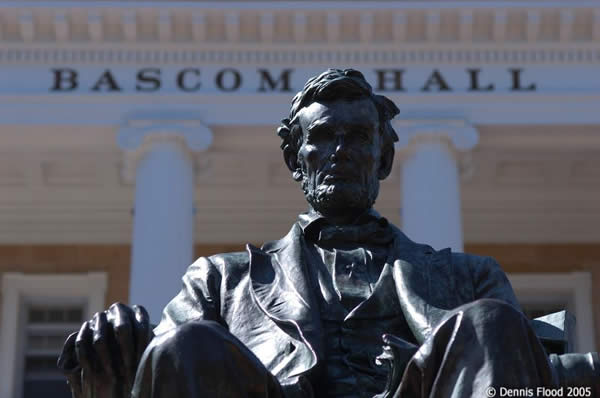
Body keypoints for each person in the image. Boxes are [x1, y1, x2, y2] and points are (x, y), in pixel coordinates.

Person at [59, 69, 599, 398]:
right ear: (296, 158)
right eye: (323, 137)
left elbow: (532, 382)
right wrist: (112, 349)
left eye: (360, 136)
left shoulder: (467, 277)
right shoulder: (223, 281)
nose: (341, 150)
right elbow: (159, 373)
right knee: (188, 341)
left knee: (487, 320)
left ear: (384, 158)